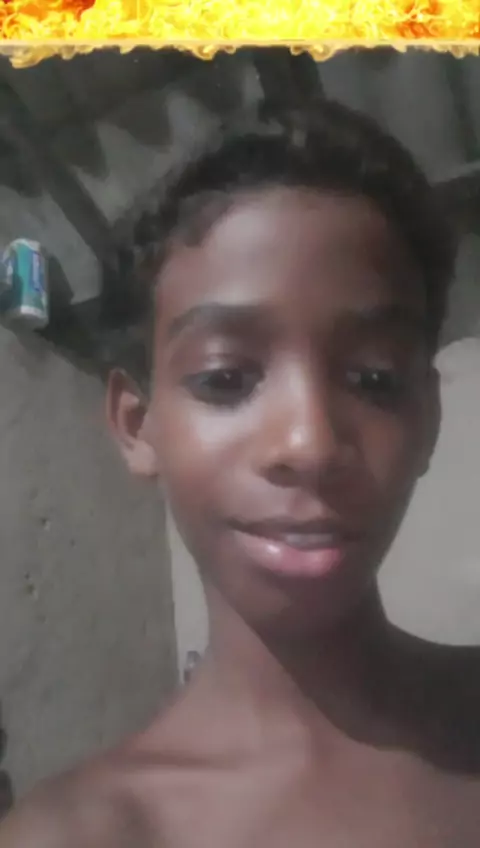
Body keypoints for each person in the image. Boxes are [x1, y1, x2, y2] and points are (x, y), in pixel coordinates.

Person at [1, 97, 479, 848]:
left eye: (374, 379)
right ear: (138, 425)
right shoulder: (79, 835)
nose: (310, 443)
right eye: (226, 379)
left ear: (429, 421)